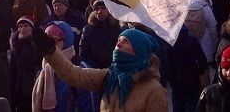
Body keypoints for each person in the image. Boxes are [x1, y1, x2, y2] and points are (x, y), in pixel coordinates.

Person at [32, 27, 168, 112]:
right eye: (119, 39)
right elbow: (73, 74)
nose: (118, 43)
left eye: (126, 41)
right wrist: (50, 51)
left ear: (139, 50)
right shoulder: (109, 76)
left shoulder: (154, 90)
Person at [32, 21, 96, 112]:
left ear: (66, 40)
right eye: (46, 41)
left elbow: (90, 105)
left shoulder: (81, 68)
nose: (50, 45)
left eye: (53, 40)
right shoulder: (43, 69)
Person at [168, 26, 208, 112]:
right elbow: (202, 60)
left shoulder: (170, 42)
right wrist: (201, 72)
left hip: (176, 79)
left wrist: (168, 77)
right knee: (192, 103)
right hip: (192, 77)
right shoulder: (192, 40)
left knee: (177, 103)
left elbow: (167, 62)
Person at [10, 16, 42, 112]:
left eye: (26, 25)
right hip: (18, 86)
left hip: (32, 85)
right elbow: (12, 68)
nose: (22, 29)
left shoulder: (37, 45)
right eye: (20, 26)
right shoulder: (15, 45)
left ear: (32, 28)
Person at [79, 0, 121, 69]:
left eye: (103, 8)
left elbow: (119, 51)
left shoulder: (116, 28)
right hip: (93, 68)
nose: (99, 11)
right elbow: (83, 53)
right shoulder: (88, 29)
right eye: (96, 9)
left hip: (112, 67)